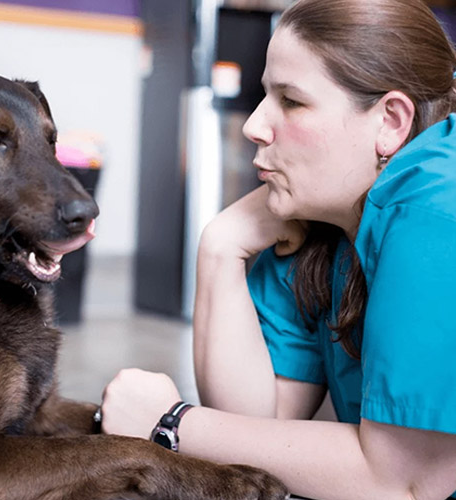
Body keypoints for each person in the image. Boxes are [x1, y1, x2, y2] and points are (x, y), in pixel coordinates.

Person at [100, 0, 456, 498]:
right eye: (266, 95)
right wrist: (221, 246)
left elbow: (409, 481)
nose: (254, 125)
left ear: (391, 121)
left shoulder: (438, 211)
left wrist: (172, 422)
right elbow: (254, 427)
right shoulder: (328, 226)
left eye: (291, 100)